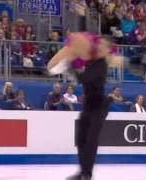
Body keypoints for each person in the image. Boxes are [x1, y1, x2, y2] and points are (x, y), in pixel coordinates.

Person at [47, 32, 114, 180]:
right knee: (81, 138)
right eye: (99, 43)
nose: (99, 46)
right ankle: (83, 171)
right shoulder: (90, 59)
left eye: (102, 45)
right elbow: (82, 40)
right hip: (89, 106)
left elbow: (85, 78)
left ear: (107, 50)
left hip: (99, 107)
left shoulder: (101, 64)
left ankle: (86, 174)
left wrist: (70, 67)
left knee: (91, 140)